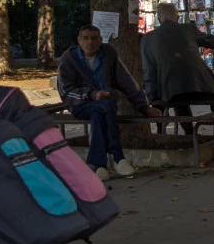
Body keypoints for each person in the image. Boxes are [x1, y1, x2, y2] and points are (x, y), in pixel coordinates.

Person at [58, 25, 161, 180]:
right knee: (103, 107)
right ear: (79, 40)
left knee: (99, 113)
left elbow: (127, 83)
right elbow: (66, 91)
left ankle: (98, 164)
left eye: (94, 38)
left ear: (100, 40)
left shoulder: (108, 54)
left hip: (104, 106)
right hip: (80, 105)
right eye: (85, 38)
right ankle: (118, 156)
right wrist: (92, 94)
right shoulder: (69, 59)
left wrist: (144, 107)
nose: (90, 42)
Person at [142, 1, 214, 114]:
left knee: (178, 97)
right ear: (177, 17)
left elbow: (148, 71)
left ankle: (189, 131)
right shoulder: (188, 29)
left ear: (159, 18)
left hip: (170, 93)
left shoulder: (147, 39)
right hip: (201, 88)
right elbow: (209, 39)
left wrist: (153, 98)